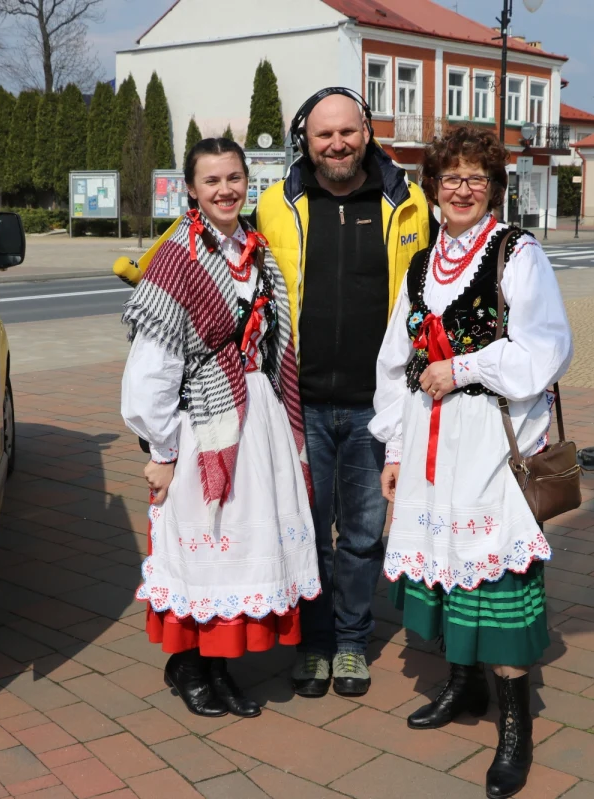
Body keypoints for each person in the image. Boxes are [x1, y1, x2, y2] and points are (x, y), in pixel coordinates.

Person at [369, 126, 572, 799]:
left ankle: (515, 725)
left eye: (475, 178)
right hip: (430, 442)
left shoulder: (516, 252)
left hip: (492, 436)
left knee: (494, 574)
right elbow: (396, 364)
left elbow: (546, 348)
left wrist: (462, 367)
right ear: (432, 187)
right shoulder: (422, 262)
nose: (461, 188)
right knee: (445, 565)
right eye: (450, 177)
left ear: (493, 189)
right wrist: (394, 448)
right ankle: (460, 686)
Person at [121, 138, 319, 719]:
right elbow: (150, 371)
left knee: (242, 548)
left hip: (258, 419)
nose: (226, 190)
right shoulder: (176, 257)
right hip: (204, 424)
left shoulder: (253, 250)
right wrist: (162, 447)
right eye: (212, 181)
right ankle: (191, 667)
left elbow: (276, 342)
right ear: (190, 188)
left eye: (234, 177)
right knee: (207, 543)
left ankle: (219, 668)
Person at [256, 88, 431, 697]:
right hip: (297, 404)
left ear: (367, 132)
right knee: (304, 529)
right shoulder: (276, 203)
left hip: (375, 409)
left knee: (360, 534)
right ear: (306, 138)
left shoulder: (407, 202)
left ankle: (352, 641)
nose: (336, 144)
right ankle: (314, 641)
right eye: (324, 134)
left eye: (347, 132)